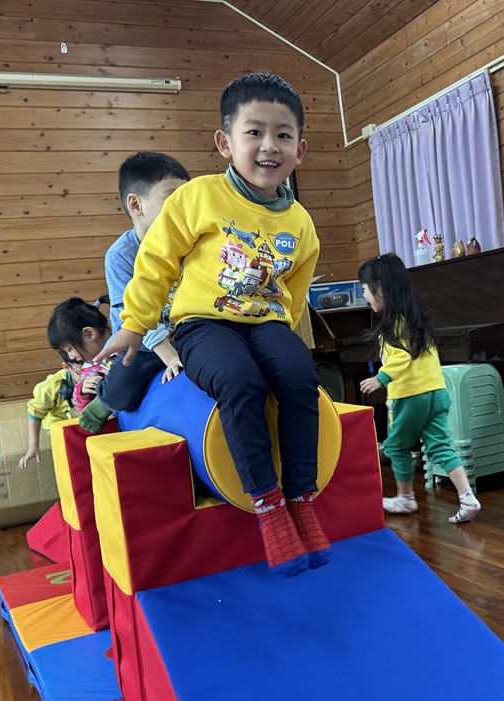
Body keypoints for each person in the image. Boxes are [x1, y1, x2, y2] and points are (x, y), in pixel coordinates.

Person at [96, 71, 327, 578]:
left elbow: (295, 290)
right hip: (203, 323)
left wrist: (281, 338)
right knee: (239, 381)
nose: (269, 146)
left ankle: (301, 497)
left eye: (283, 135)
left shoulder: (301, 223)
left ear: (300, 149)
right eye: (254, 132)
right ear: (225, 143)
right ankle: (268, 505)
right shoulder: (198, 197)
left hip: (265, 322)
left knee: (299, 376)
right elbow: (156, 262)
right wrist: (134, 324)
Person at [357, 253, 481, 524]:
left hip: (410, 397)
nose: (364, 295)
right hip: (436, 392)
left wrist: (381, 378)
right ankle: (467, 497)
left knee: (395, 447)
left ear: (380, 289)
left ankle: (405, 498)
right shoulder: (417, 318)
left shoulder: (393, 325)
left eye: (365, 289)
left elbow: (401, 356)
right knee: (440, 447)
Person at [77, 152, 191, 433]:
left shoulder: (190, 244)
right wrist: (169, 356)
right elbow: (133, 317)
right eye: (172, 199)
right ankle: (104, 399)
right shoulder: (121, 256)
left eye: (187, 198)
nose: (183, 208)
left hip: (185, 330)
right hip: (142, 343)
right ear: (136, 204)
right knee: (125, 384)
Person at [19, 352, 84, 469]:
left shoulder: (95, 375)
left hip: (84, 423)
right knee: (73, 465)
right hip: (62, 429)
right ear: (66, 367)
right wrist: (33, 446)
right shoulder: (53, 385)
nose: (87, 376)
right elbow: (35, 412)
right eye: (81, 372)